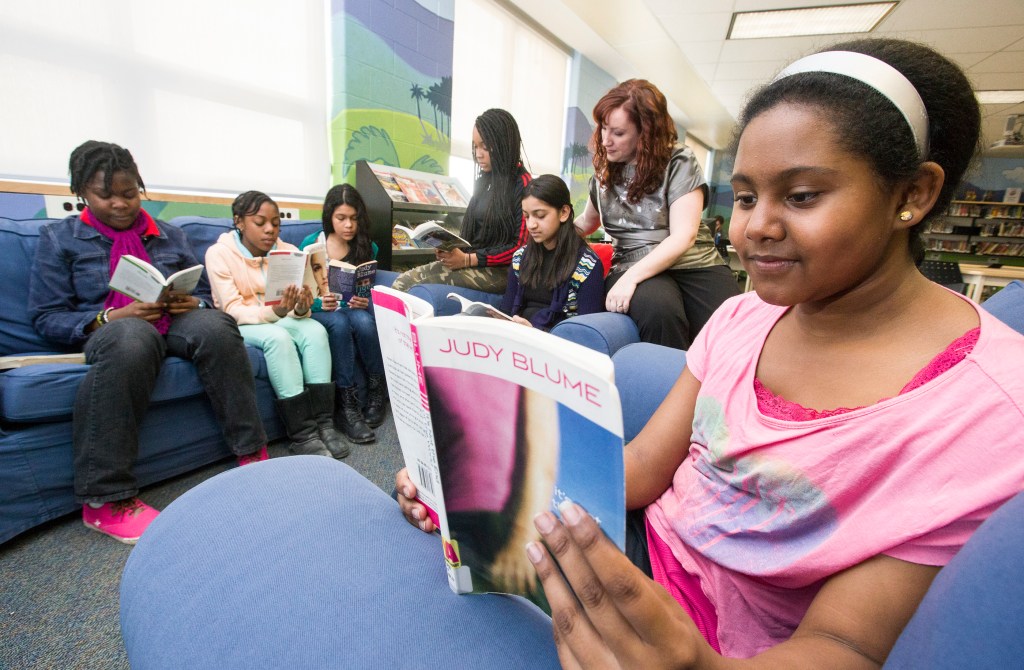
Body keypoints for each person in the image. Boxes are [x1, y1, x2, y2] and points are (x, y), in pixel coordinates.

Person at [400, 38, 1024, 665]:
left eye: (802, 196)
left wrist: (702, 666)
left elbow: (846, 643)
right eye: (747, 197)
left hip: (714, 644)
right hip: (638, 548)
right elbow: (643, 468)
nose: (755, 227)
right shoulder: (741, 316)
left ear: (912, 194)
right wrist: (471, 485)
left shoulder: (990, 414)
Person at [27, 141, 269, 544]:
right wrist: (109, 316)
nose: (120, 204)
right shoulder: (59, 239)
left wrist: (196, 301)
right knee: (133, 336)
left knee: (217, 326)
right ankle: (106, 501)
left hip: (174, 320)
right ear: (82, 192)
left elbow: (206, 293)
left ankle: (252, 453)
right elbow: (46, 317)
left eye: (129, 193)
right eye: (105, 195)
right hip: (112, 328)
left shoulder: (170, 235)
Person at [576, 79, 739, 350]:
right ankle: (670, 386)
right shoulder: (605, 171)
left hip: (693, 260)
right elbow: (586, 222)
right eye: (603, 128)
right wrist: (549, 230)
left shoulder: (678, 161)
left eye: (618, 133)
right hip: (631, 259)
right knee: (660, 312)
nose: (605, 140)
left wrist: (630, 280)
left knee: (732, 323)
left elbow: (684, 236)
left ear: (646, 133)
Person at [205, 191, 347, 459]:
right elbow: (232, 309)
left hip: (281, 316)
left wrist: (303, 305)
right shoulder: (219, 254)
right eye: (260, 223)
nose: (270, 230)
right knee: (277, 339)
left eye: (276, 223)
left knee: (316, 331)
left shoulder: (290, 253)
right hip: (243, 321)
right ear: (239, 221)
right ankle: (303, 435)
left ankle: (324, 425)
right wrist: (276, 311)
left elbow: (300, 312)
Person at [391, 108, 531, 295]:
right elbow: (475, 235)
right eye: (475, 146)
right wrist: (450, 249)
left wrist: (468, 259)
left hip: (503, 272)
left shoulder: (523, 184)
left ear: (503, 144)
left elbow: (520, 248)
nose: (478, 154)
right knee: (401, 282)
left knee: (411, 287)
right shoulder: (485, 180)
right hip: (475, 262)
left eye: (485, 146)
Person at [298, 184, 387, 445]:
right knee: (338, 321)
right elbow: (301, 293)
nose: (349, 225)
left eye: (354, 218)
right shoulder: (311, 245)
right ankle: (347, 406)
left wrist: (364, 300)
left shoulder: (367, 247)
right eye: (341, 218)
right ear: (329, 217)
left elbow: (369, 288)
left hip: (352, 309)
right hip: (324, 312)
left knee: (363, 320)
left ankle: (376, 391)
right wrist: (316, 303)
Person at [499, 174, 605, 331]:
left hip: (557, 344)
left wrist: (537, 333)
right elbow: (506, 310)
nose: (531, 225)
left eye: (540, 215)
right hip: (516, 340)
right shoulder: (520, 258)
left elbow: (585, 332)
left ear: (563, 213)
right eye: (526, 216)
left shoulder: (587, 266)